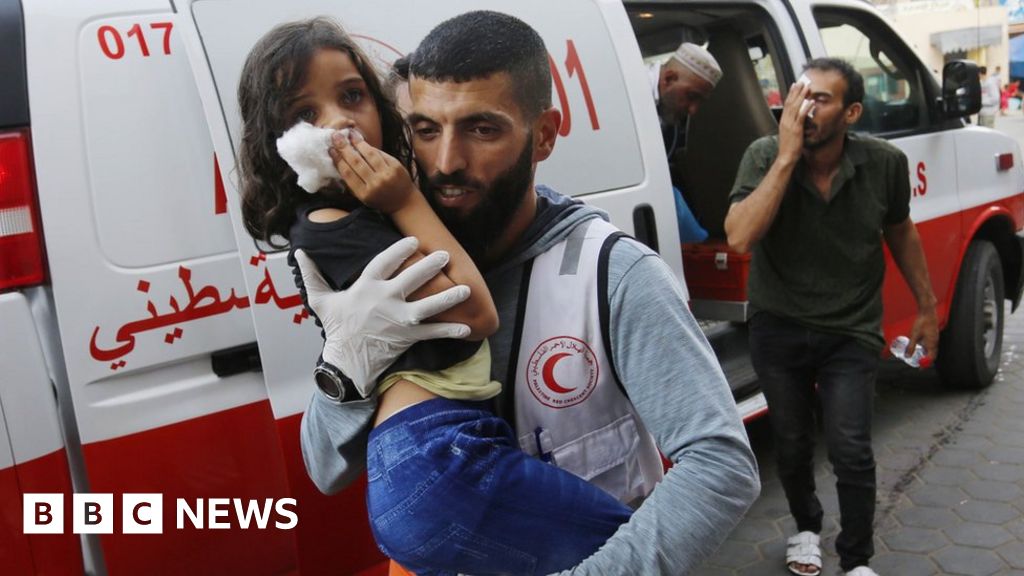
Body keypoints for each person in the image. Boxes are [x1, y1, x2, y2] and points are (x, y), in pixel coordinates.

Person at [297, 10, 760, 575]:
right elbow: (326, 469)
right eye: (425, 130)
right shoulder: (390, 266)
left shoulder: (612, 273)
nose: (446, 162)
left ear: (543, 135)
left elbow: (721, 464)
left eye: (482, 129)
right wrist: (345, 365)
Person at [237, 18, 639, 575]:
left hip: (442, 458)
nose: (339, 121)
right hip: (436, 456)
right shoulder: (337, 222)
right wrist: (342, 364)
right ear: (277, 141)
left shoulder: (369, 215)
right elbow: (475, 313)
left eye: (352, 96)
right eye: (305, 113)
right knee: (634, 545)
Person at [725, 58, 939, 576]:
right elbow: (739, 237)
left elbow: (901, 230)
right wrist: (786, 158)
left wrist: (927, 307)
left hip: (851, 327)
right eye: (800, 95)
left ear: (851, 113)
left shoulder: (884, 163)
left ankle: (857, 557)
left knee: (851, 448)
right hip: (779, 324)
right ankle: (805, 527)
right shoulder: (763, 154)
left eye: (820, 99)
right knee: (792, 442)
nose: (805, 108)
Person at [647, 42, 723, 244]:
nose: (693, 110)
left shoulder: (665, 109)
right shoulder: (632, 94)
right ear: (668, 78)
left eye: (700, 102)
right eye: (691, 96)